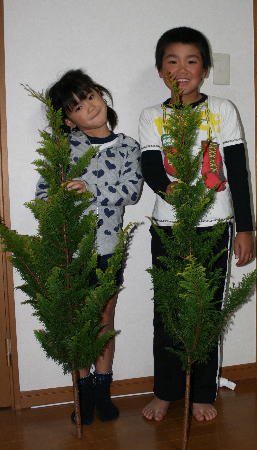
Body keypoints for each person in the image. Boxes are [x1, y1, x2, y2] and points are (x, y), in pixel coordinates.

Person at [139, 27, 254, 423]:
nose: (181, 68)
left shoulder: (221, 110)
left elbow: (237, 173)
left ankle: (203, 391)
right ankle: (166, 390)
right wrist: (176, 195)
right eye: (172, 60)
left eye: (191, 60)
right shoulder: (152, 116)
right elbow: (152, 166)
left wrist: (245, 228)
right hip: (167, 227)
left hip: (215, 225)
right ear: (160, 70)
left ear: (204, 69)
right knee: (167, 310)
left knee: (207, 309)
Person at [36, 69, 142, 424]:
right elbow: (42, 194)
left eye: (91, 97)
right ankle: (82, 394)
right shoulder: (64, 149)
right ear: (68, 120)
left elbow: (133, 191)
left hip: (109, 249)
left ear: (102, 95)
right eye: (77, 106)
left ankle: (102, 391)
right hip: (70, 250)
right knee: (76, 322)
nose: (89, 107)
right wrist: (58, 201)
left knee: (103, 321)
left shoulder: (128, 146)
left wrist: (91, 189)